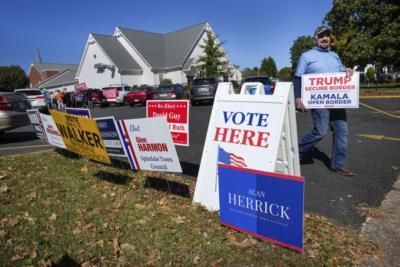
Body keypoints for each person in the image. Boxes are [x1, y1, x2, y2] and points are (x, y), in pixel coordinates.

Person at [294, 25, 354, 176]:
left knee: (342, 132)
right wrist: (297, 97)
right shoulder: (306, 56)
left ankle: (338, 165)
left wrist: (347, 70)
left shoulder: (335, 55)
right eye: (321, 36)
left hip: (337, 100)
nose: (325, 38)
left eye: (327, 35)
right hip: (318, 100)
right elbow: (298, 77)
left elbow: (341, 74)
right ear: (315, 39)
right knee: (320, 131)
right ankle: (295, 151)